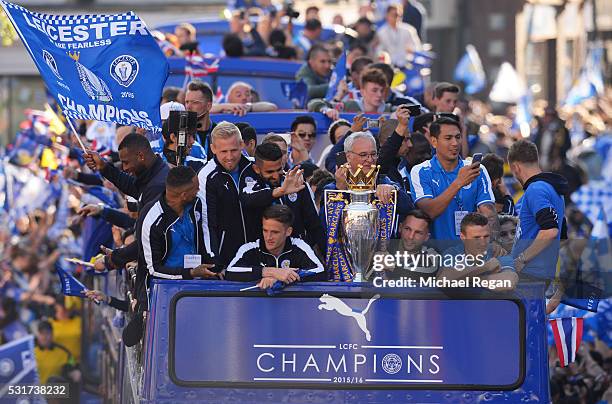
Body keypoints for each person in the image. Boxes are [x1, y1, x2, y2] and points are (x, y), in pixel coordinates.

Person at [85, 134, 169, 270]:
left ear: (141, 156)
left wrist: (111, 260)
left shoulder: (157, 186)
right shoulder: (151, 176)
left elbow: (148, 240)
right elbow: (132, 185)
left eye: (126, 162)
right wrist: (103, 166)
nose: (124, 168)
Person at [410, 117, 498, 240]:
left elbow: (488, 212)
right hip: (436, 253)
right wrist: (458, 183)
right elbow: (430, 211)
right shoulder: (420, 171)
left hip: (471, 251)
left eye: (458, 137)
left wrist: (493, 242)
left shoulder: (477, 169)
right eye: (448, 138)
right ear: (434, 141)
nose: (455, 143)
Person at [137, 165, 217, 280]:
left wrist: (213, 267)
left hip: (197, 284)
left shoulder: (196, 205)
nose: (198, 191)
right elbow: (154, 269)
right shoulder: (152, 220)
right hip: (167, 291)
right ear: (184, 195)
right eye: (196, 188)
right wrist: (191, 273)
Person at [240, 143, 325, 250]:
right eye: (269, 172)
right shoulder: (251, 186)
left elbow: (314, 224)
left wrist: (327, 255)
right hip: (261, 256)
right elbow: (248, 200)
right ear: (257, 169)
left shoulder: (297, 184)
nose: (275, 176)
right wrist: (281, 191)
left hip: (296, 254)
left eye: (279, 169)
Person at [198, 122, 259, 268]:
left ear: (242, 145)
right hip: (226, 258)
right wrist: (214, 262)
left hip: (258, 253)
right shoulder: (206, 176)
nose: (230, 157)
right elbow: (207, 224)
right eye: (224, 152)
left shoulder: (255, 167)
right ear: (213, 149)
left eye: (234, 150)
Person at [507, 140, 567, 284]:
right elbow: (562, 235)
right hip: (541, 275)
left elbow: (550, 231)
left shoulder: (536, 190)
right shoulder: (553, 189)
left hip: (530, 276)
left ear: (515, 167)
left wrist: (521, 259)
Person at [226, 205, 326, 288]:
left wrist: (280, 279)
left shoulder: (299, 246)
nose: (268, 237)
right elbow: (230, 272)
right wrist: (271, 272)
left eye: (275, 232)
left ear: (288, 232)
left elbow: (320, 272)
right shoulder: (249, 248)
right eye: (265, 230)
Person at [438, 212, 517, 291]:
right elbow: (443, 280)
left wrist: (465, 279)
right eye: (476, 238)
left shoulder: (498, 252)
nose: (483, 243)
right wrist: (484, 267)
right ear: (463, 237)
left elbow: (509, 282)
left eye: (486, 236)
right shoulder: (453, 252)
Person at [375, 209, 440, 280]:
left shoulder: (432, 255)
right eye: (407, 229)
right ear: (400, 228)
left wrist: (391, 266)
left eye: (418, 232)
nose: (410, 236)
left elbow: (424, 275)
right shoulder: (383, 246)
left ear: (426, 237)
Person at [309, 68, 393, 118]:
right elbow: (313, 103)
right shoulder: (349, 106)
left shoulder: (390, 110)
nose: (379, 94)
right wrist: (327, 110)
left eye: (381, 91)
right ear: (362, 91)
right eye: (374, 90)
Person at [34, 320, 77, 385]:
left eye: (47, 333)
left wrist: (74, 371)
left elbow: (73, 365)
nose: (44, 337)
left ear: (52, 334)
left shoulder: (65, 353)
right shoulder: (30, 352)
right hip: (35, 392)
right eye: (42, 333)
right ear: (38, 335)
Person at [185, 80, 216, 160]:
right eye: (187, 102)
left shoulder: (219, 132)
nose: (188, 107)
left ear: (208, 106)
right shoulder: (182, 133)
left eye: (194, 102)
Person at [211, 81, 278, 115]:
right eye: (239, 95)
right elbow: (205, 109)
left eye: (247, 94)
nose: (244, 97)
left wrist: (248, 107)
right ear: (229, 98)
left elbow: (272, 107)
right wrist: (224, 107)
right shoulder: (221, 109)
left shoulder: (254, 109)